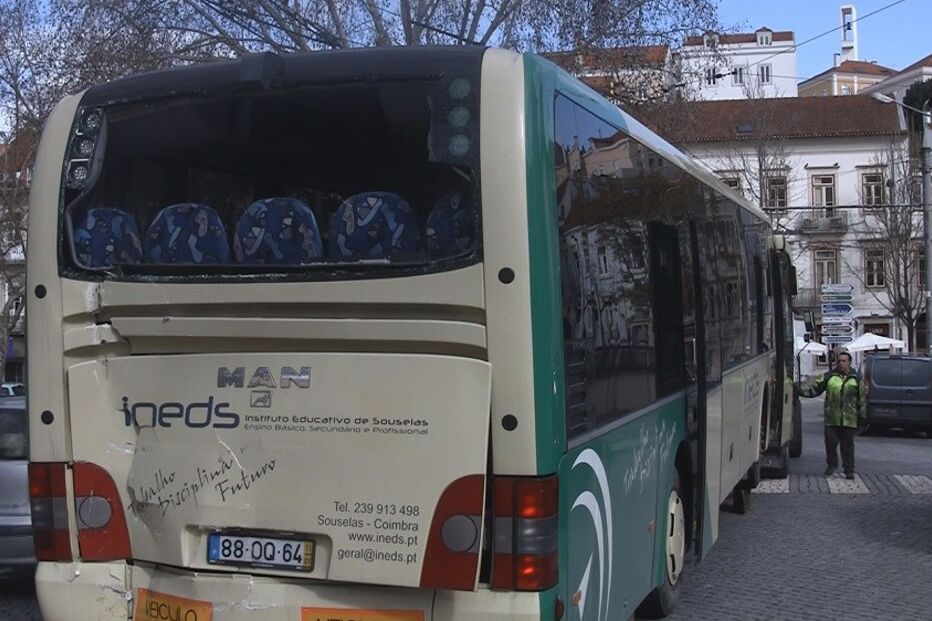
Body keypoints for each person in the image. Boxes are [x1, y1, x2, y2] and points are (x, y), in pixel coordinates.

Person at [795, 349, 867, 479]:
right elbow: (814, 389)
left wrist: (862, 419)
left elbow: (862, 399)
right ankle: (831, 466)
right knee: (831, 444)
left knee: (847, 446)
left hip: (849, 419)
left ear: (849, 362)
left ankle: (849, 470)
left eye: (844, 361)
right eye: (839, 361)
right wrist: (798, 390)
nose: (841, 363)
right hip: (831, 419)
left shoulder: (856, 379)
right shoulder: (829, 376)